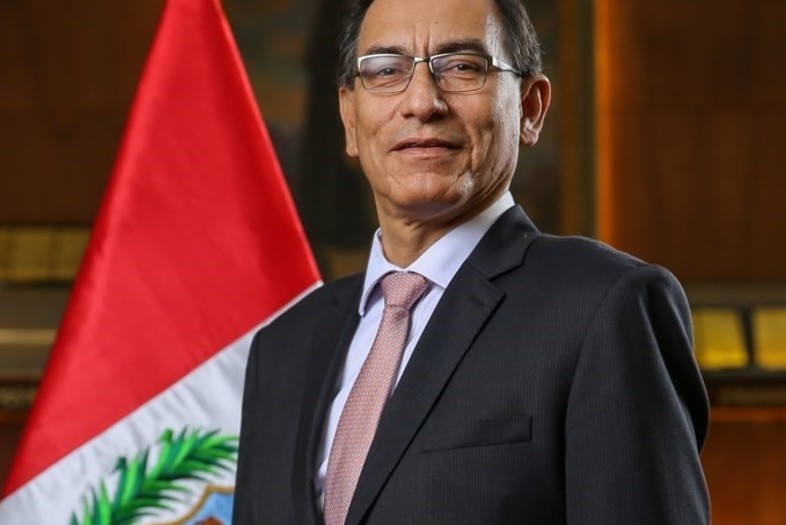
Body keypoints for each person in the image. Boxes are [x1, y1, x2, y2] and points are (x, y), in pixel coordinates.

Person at [233, 0, 710, 523]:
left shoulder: (603, 308)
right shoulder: (282, 348)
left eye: (461, 66)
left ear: (530, 108)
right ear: (349, 117)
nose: (421, 102)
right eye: (386, 70)